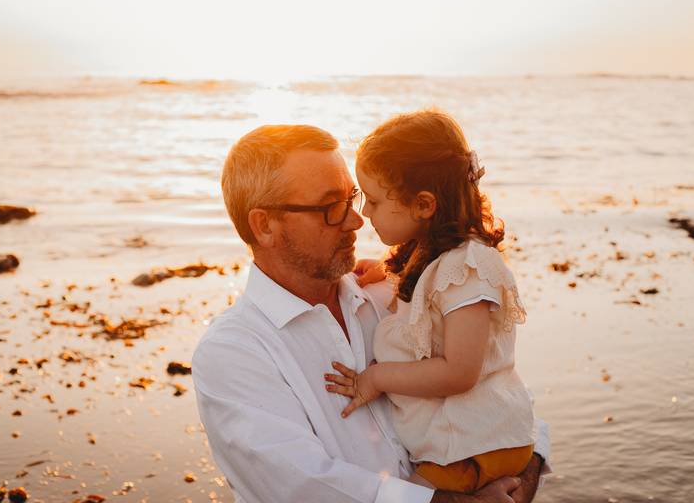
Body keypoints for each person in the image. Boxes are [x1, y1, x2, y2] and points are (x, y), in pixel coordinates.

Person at [191, 124, 550, 503]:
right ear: (264, 226)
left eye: (354, 197)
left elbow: (497, 390)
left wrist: (521, 483)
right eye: (331, 207)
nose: (356, 221)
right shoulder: (232, 354)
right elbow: (304, 488)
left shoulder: (394, 294)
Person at [325, 110, 534, 494]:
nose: (363, 213)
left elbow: (460, 371)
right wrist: (391, 271)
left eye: (372, 200)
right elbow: (429, 307)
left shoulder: (468, 267)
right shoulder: (437, 257)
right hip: (470, 443)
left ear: (423, 205)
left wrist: (376, 378)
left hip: (472, 446)